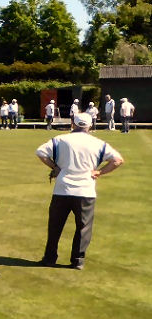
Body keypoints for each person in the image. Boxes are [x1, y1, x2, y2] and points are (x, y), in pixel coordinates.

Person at [36, 112, 123, 269]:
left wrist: (55, 167)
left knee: (55, 226)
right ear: (89, 125)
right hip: (86, 191)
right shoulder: (98, 143)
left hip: (62, 189)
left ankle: (49, 258)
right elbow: (117, 160)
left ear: (73, 123)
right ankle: (77, 261)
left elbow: (41, 152)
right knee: (83, 228)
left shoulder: (60, 139)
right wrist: (99, 172)